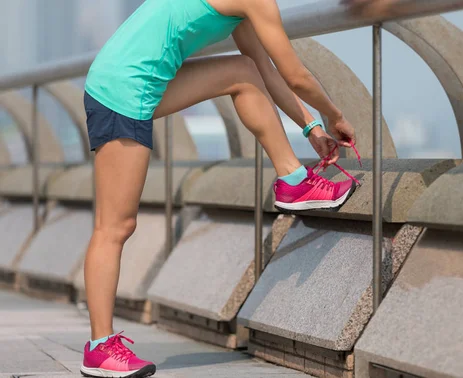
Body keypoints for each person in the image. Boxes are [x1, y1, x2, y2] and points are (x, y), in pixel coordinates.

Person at [81, 0, 360, 377]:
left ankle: (293, 181)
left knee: (241, 71)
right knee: (115, 226)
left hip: (137, 78)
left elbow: (263, 70)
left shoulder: (243, 8)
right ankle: (99, 348)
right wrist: (337, 115)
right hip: (122, 89)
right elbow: (295, 75)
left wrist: (312, 127)